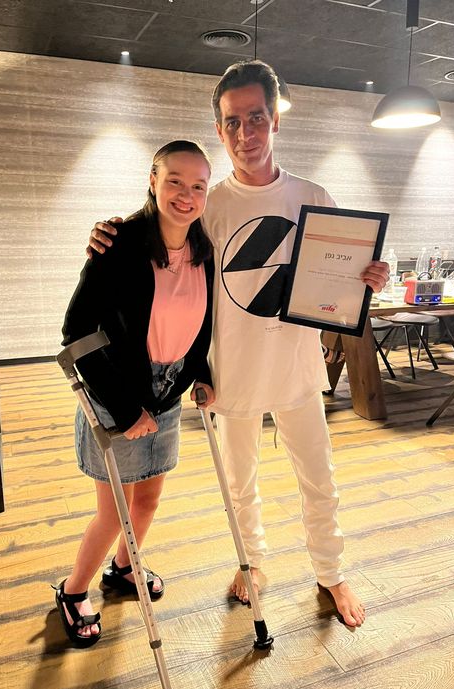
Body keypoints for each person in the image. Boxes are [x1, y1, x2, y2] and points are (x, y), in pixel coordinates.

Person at [87, 61, 389, 628]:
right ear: (219, 129)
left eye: (256, 118)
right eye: (232, 122)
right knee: (238, 484)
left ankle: (331, 571)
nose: (245, 133)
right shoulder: (210, 204)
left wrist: (369, 277)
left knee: (319, 478)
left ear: (275, 120)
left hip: (297, 367)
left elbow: (339, 273)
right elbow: (158, 234)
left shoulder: (314, 196)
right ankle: (251, 563)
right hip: (229, 372)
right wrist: (110, 235)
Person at [55, 140, 215, 647]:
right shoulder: (119, 243)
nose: (186, 195)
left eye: (197, 186)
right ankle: (73, 590)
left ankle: (125, 568)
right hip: (117, 393)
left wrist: (202, 372)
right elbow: (76, 332)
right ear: (153, 180)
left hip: (167, 394)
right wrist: (126, 410)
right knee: (115, 511)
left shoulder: (204, 250)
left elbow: (198, 320)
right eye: (175, 181)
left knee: (148, 497)